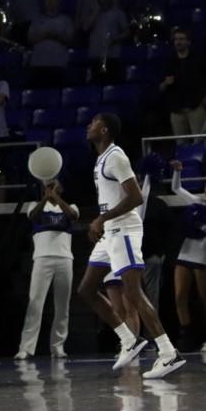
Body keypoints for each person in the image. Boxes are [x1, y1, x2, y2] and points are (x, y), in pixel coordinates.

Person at [75, 113, 184, 378]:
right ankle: (129, 339)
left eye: (93, 123)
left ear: (103, 129)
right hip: (110, 231)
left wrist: (102, 217)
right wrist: (102, 221)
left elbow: (135, 197)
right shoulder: (102, 158)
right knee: (87, 289)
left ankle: (168, 353)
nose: (89, 126)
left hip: (124, 230)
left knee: (133, 293)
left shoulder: (116, 157)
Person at [16, 180, 78, 360]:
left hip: (65, 258)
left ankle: (58, 346)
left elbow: (73, 216)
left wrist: (57, 198)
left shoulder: (70, 206)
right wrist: (45, 199)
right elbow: (33, 217)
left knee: (62, 305)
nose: (51, 189)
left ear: (61, 189)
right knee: (35, 302)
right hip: (42, 258)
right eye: (48, 187)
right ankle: (26, 348)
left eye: (55, 186)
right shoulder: (35, 206)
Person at [169, 159, 206, 352]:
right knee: (179, 297)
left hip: (203, 257)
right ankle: (187, 337)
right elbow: (176, 188)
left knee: (204, 299)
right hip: (186, 253)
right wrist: (178, 171)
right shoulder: (196, 202)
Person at [161, 27, 206, 142]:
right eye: (176, 39)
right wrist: (166, 83)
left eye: (181, 39)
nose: (178, 42)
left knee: (199, 143)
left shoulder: (198, 60)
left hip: (196, 109)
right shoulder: (168, 62)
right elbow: (159, 87)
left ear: (188, 42)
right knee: (181, 145)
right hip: (176, 112)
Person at [27, 0, 75, 89]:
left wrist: (55, 36)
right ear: (44, 2)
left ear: (59, 1)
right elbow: (30, 39)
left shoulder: (66, 20)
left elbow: (70, 40)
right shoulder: (37, 19)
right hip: (38, 66)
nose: (51, 2)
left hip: (58, 66)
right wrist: (45, 35)